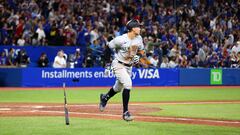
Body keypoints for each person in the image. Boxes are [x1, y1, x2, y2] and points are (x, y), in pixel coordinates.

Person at [99, 19, 144, 121]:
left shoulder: (139, 38)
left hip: (129, 66)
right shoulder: (120, 39)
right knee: (128, 84)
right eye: (138, 26)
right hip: (119, 64)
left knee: (118, 88)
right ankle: (125, 113)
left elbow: (142, 50)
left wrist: (139, 56)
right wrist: (106, 64)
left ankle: (104, 97)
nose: (140, 28)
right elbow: (108, 47)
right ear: (132, 29)